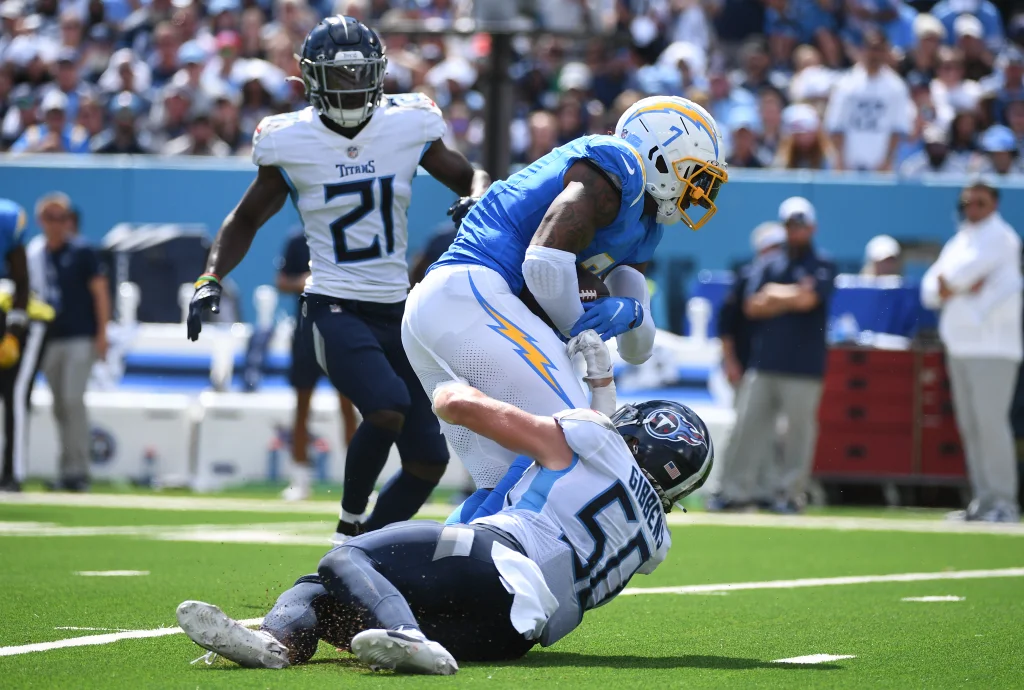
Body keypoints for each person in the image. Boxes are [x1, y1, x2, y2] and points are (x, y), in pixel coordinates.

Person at [175, 332, 714, 674]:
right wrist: (600, 385)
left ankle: (406, 635)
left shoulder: (594, 440)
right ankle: (273, 644)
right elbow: (602, 474)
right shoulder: (655, 543)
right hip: (510, 634)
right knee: (324, 594)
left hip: (495, 563)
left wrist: (447, 371)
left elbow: (458, 406)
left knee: (346, 558)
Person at [186, 16, 490, 542]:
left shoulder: (408, 122)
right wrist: (209, 277)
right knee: (387, 407)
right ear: (310, 79)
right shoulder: (289, 139)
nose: (350, 86)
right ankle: (348, 530)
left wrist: (477, 197)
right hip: (333, 305)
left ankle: (365, 549)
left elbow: (471, 174)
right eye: (339, 75)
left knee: (427, 458)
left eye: (358, 74)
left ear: (376, 74)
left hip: (398, 312)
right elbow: (245, 219)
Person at [403, 95, 727, 493]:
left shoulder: (646, 223)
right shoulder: (617, 164)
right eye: (695, 173)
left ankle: (441, 554)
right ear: (659, 154)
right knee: (577, 445)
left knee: (512, 485)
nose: (699, 190)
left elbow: (636, 350)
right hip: (475, 293)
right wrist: (581, 331)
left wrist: (633, 313)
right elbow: (543, 263)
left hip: (449, 308)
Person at [710, 197, 836, 513]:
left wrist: (775, 295)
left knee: (797, 437)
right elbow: (752, 306)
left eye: (801, 226)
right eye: (791, 226)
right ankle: (735, 492)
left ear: (812, 227)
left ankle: (789, 496)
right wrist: (794, 293)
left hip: (805, 367)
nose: (796, 232)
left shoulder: (823, 264)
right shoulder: (770, 265)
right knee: (747, 431)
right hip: (764, 363)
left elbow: (809, 300)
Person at [921, 178, 1022, 522]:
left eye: (979, 203)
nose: (972, 210)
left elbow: (956, 277)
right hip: (960, 346)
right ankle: (983, 500)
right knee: (971, 426)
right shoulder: (959, 239)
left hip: (993, 348)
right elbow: (929, 289)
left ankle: (1004, 503)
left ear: (994, 203)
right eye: (966, 203)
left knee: (991, 424)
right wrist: (956, 287)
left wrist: (954, 286)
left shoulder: (1002, 237)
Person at [34, 192, 110, 493]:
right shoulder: (36, 253)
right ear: (41, 221)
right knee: (58, 406)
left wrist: (102, 333)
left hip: (79, 337)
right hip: (49, 339)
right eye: (50, 217)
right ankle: (65, 469)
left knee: (72, 400)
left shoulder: (82, 251)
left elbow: (100, 293)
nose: (56, 224)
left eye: (62, 218)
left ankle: (78, 471)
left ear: (69, 220)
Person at [275, 229, 357, 501]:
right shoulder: (298, 241)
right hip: (306, 332)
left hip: (341, 331)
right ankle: (300, 478)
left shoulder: (346, 236)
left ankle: (356, 479)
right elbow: (282, 282)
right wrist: (309, 282)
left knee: (348, 407)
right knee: (301, 406)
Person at [825, 28, 912, 172]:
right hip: (849, 166)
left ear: (886, 51)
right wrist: (840, 159)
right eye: (871, 48)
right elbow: (836, 126)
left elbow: (897, 128)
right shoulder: (846, 84)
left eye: (879, 49)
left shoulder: (896, 87)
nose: (875, 54)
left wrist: (887, 161)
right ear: (863, 49)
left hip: (880, 168)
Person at [0, 199, 39, 493]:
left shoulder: (7, 217)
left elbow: (21, 279)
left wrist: (13, 331)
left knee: (12, 395)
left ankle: (11, 472)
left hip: (10, 319)